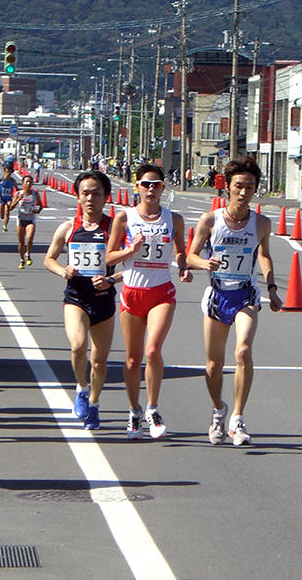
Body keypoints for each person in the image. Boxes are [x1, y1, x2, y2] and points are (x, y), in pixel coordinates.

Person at [187, 157, 282, 446]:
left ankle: (237, 418)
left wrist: (272, 287)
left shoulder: (261, 223)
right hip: (218, 295)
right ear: (227, 187)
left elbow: (263, 254)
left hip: (246, 295)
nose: (244, 193)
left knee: (243, 351)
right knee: (214, 365)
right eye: (238, 186)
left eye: (250, 187)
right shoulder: (210, 220)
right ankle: (219, 410)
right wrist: (205, 264)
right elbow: (191, 256)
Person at [106, 163, 193, 440]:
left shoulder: (173, 219)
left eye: (156, 184)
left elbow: (181, 252)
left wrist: (184, 267)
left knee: (153, 351)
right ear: (137, 187)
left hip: (161, 293)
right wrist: (130, 250)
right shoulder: (124, 218)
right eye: (146, 184)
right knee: (133, 359)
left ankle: (153, 409)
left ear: (162, 188)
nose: (151, 189)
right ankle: (133, 412)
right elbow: (108, 258)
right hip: (132, 292)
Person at [44, 170, 120, 430]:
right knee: (78, 346)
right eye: (85, 193)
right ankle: (81, 389)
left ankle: (95, 403)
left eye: (96, 193)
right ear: (77, 196)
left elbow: (132, 266)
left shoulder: (114, 229)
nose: (90, 198)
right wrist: (62, 270)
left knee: (99, 360)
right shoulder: (68, 228)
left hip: (104, 300)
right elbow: (49, 259)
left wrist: (112, 279)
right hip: (75, 297)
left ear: (105, 197)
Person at [9, 174, 43, 269]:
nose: (28, 183)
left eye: (30, 182)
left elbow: (41, 206)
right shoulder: (18, 194)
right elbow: (11, 208)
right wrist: (18, 200)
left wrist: (37, 210)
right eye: (26, 182)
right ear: (23, 183)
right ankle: (21, 259)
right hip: (20, 219)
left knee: (29, 238)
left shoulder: (35, 194)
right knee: (21, 242)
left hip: (30, 219)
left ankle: (28, 253)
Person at [0, 165, 18, 231]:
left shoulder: (13, 181)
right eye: (7, 172)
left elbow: (17, 189)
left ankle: (5, 226)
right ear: (4, 172)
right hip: (1, 198)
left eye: (9, 172)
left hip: (8, 198)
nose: (8, 173)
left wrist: (15, 197)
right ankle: (2, 216)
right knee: (1, 214)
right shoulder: (1, 179)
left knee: (7, 211)